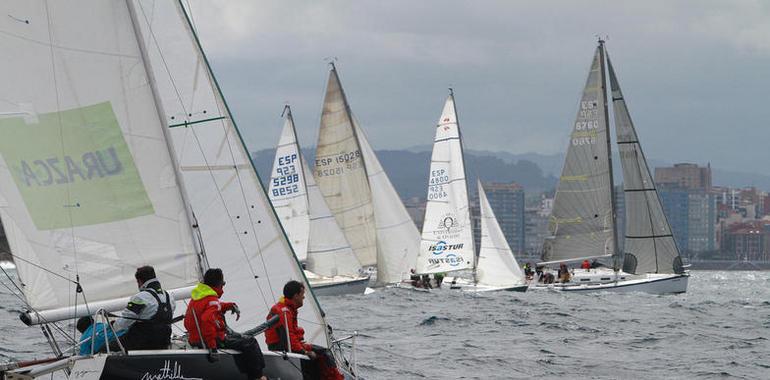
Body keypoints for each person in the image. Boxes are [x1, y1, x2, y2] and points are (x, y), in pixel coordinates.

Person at [184, 268, 266, 380]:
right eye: (223, 284)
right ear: (218, 284)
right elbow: (207, 321)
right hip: (210, 340)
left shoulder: (198, 296)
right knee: (250, 342)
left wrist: (228, 305)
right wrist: (213, 347)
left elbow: (209, 307)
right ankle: (257, 376)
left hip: (196, 339)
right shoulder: (211, 299)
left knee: (238, 340)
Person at [266, 280, 343, 380]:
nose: (304, 297)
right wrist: (304, 352)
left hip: (284, 346)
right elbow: (289, 337)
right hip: (282, 348)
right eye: (302, 294)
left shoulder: (286, 308)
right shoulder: (284, 312)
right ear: (295, 296)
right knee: (324, 353)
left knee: (322, 352)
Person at [112, 266, 174, 351]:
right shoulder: (169, 297)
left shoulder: (141, 297)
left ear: (140, 281)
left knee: (105, 348)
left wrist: (113, 327)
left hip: (142, 343)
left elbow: (124, 322)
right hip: (163, 342)